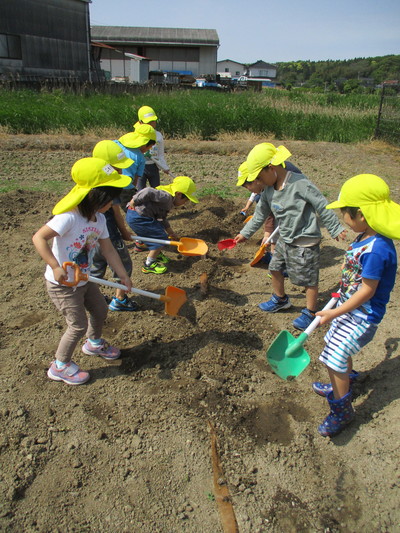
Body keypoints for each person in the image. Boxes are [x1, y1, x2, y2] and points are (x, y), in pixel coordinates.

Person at [32, 157, 133, 385]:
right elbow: (38, 238)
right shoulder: (68, 217)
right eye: (111, 196)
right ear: (95, 196)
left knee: (100, 310)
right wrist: (55, 266)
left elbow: (108, 249)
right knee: (77, 325)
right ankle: (60, 366)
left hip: (85, 278)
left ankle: (94, 343)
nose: (114, 202)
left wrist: (123, 275)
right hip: (63, 285)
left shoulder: (99, 220)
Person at [312, 174, 399, 437]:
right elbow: (357, 275)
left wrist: (334, 312)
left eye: (344, 213)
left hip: (362, 315)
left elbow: (367, 290)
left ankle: (342, 409)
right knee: (333, 345)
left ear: (360, 215)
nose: (342, 218)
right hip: (349, 308)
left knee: (334, 357)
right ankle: (345, 382)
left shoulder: (377, 250)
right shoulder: (366, 237)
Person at [234, 142, 346, 330]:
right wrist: (244, 233)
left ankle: (311, 312)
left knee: (308, 279)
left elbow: (321, 205)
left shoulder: (300, 184)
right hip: (285, 239)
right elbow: (260, 215)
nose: (259, 183)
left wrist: (334, 228)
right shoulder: (269, 190)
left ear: (271, 168)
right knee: (274, 267)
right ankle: (280, 299)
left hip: (305, 240)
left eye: (259, 178)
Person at [91, 140, 138, 312]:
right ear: (107, 167)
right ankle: (120, 299)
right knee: (123, 266)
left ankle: (92, 297)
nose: (120, 170)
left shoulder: (90, 182)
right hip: (110, 235)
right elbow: (117, 214)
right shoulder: (112, 185)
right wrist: (125, 232)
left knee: (95, 268)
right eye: (118, 167)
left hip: (91, 237)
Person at [126, 176, 199, 274]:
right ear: (178, 194)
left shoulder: (168, 201)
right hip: (138, 217)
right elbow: (148, 191)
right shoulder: (166, 197)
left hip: (142, 216)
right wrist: (134, 200)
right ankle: (149, 265)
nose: (184, 203)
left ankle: (153, 251)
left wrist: (171, 233)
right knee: (160, 238)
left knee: (157, 230)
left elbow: (162, 219)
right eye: (185, 200)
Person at [237, 159, 302, 266]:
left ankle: (289, 261)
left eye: (247, 187)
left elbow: (273, 213)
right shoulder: (267, 188)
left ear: (255, 179)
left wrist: (268, 235)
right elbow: (261, 214)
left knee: (289, 229)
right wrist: (245, 233)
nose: (249, 191)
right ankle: (276, 256)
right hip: (284, 202)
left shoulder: (283, 180)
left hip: (295, 203)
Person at [134, 105, 173, 190]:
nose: (151, 124)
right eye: (148, 122)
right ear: (140, 122)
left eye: (153, 121)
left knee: (156, 190)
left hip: (154, 166)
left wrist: (164, 167)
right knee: (140, 191)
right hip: (141, 167)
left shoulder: (158, 136)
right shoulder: (137, 135)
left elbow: (160, 154)